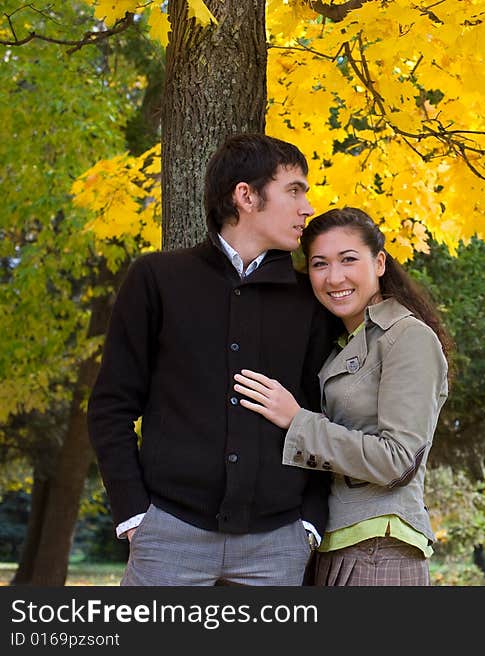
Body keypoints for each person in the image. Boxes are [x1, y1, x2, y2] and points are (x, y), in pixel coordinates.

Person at [87, 133, 341, 586]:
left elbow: (325, 413)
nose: (307, 207)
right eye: (294, 190)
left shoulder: (309, 299)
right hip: (167, 533)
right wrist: (133, 515)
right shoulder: (156, 279)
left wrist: (308, 523)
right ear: (245, 195)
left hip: (278, 543)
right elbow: (111, 405)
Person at [233, 207, 452, 586]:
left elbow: (398, 461)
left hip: (380, 549)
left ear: (379, 262)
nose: (335, 278)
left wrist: (297, 420)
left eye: (348, 259)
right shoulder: (342, 343)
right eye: (319, 264)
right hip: (336, 544)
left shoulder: (407, 337)